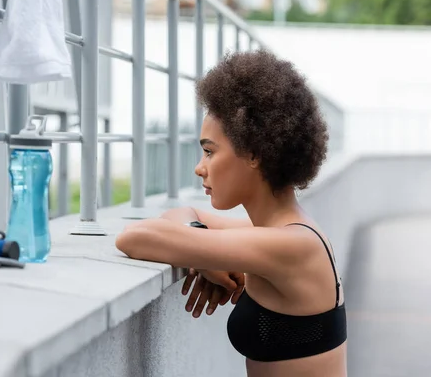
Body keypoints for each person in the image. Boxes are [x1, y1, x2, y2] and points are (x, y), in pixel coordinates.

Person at [115, 49, 347, 377]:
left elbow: (134, 237)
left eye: (210, 152)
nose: (199, 168)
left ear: (253, 154)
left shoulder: (294, 245)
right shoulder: (280, 233)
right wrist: (206, 256)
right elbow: (182, 212)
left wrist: (203, 253)